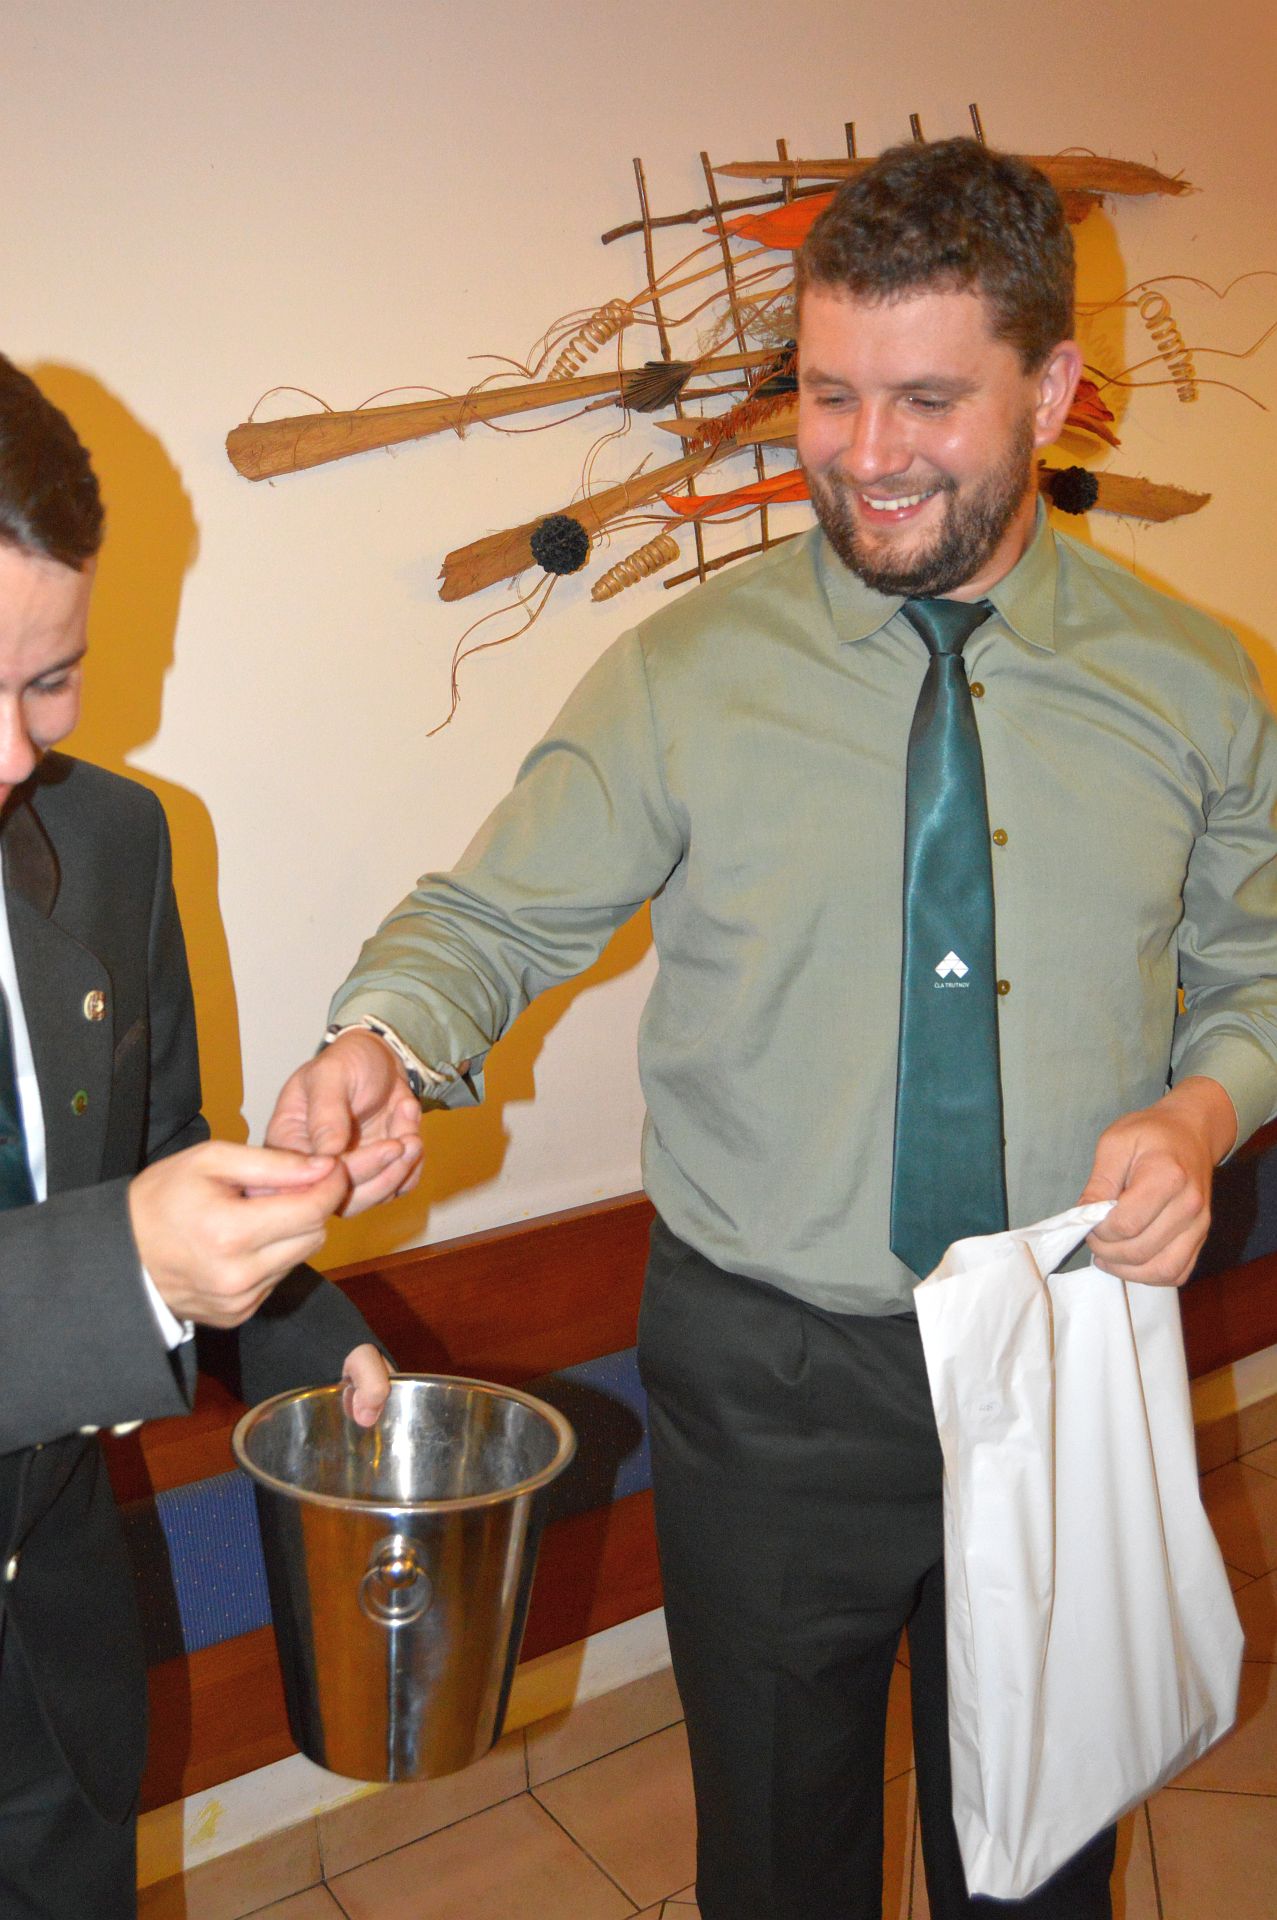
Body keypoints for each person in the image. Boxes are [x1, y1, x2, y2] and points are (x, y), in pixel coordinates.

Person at [266, 139, 1277, 1920]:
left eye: (925, 400)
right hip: (770, 1378)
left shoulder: (1193, 682)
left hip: (1065, 1351)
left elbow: (1256, 960)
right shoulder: (685, 676)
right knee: (777, 1859)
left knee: (1041, 1857)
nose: (864, 454)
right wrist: (384, 1036)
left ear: (1050, 388)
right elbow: (489, 918)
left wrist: (1203, 1111)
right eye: (825, 394)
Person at [0, 357, 408, 1920]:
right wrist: (133, 1265)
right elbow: (123, 1254)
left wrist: (311, 1326)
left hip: (53, 1657)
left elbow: (155, 1156)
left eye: (48, 682)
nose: (15, 756)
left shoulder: (111, 840)